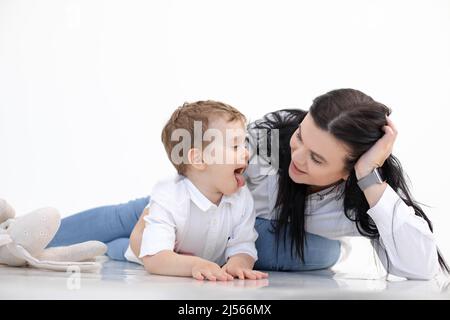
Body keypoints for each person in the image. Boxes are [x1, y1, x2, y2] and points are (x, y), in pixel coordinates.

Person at [50, 89, 446, 280]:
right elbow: (203, 166)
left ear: (349, 171)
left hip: (253, 236)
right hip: (212, 215)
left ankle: (128, 251)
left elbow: (421, 269)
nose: (299, 157)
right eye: (301, 139)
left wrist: (370, 177)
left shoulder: (361, 195)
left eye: (318, 159)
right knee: (140, 214)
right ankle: (39, 236)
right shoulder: (271, 137)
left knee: (321, 252)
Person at [124, 100, 268, 281]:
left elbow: (243, 245)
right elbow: (154, 259)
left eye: (244, 145)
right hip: (143, 256)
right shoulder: (170, 196)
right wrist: (195, 264)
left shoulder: (242, 197)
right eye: (235, 146)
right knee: (124, 245)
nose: (246, 153)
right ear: (199, 159)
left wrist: (238, 264)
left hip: (183, 245)